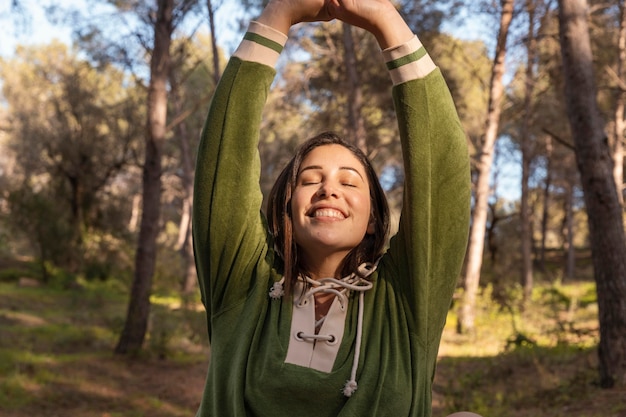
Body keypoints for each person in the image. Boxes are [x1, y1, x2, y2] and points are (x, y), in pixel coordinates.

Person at [192, 0, 477, 416]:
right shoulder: (243, 283)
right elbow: (223, 166)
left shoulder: (406, 300)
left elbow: (443, 177)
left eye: (349, 181)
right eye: (309, 180)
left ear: (375, 217)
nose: (329, 189)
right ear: (287, 206)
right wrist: (280, 14)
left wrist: (384, 19)